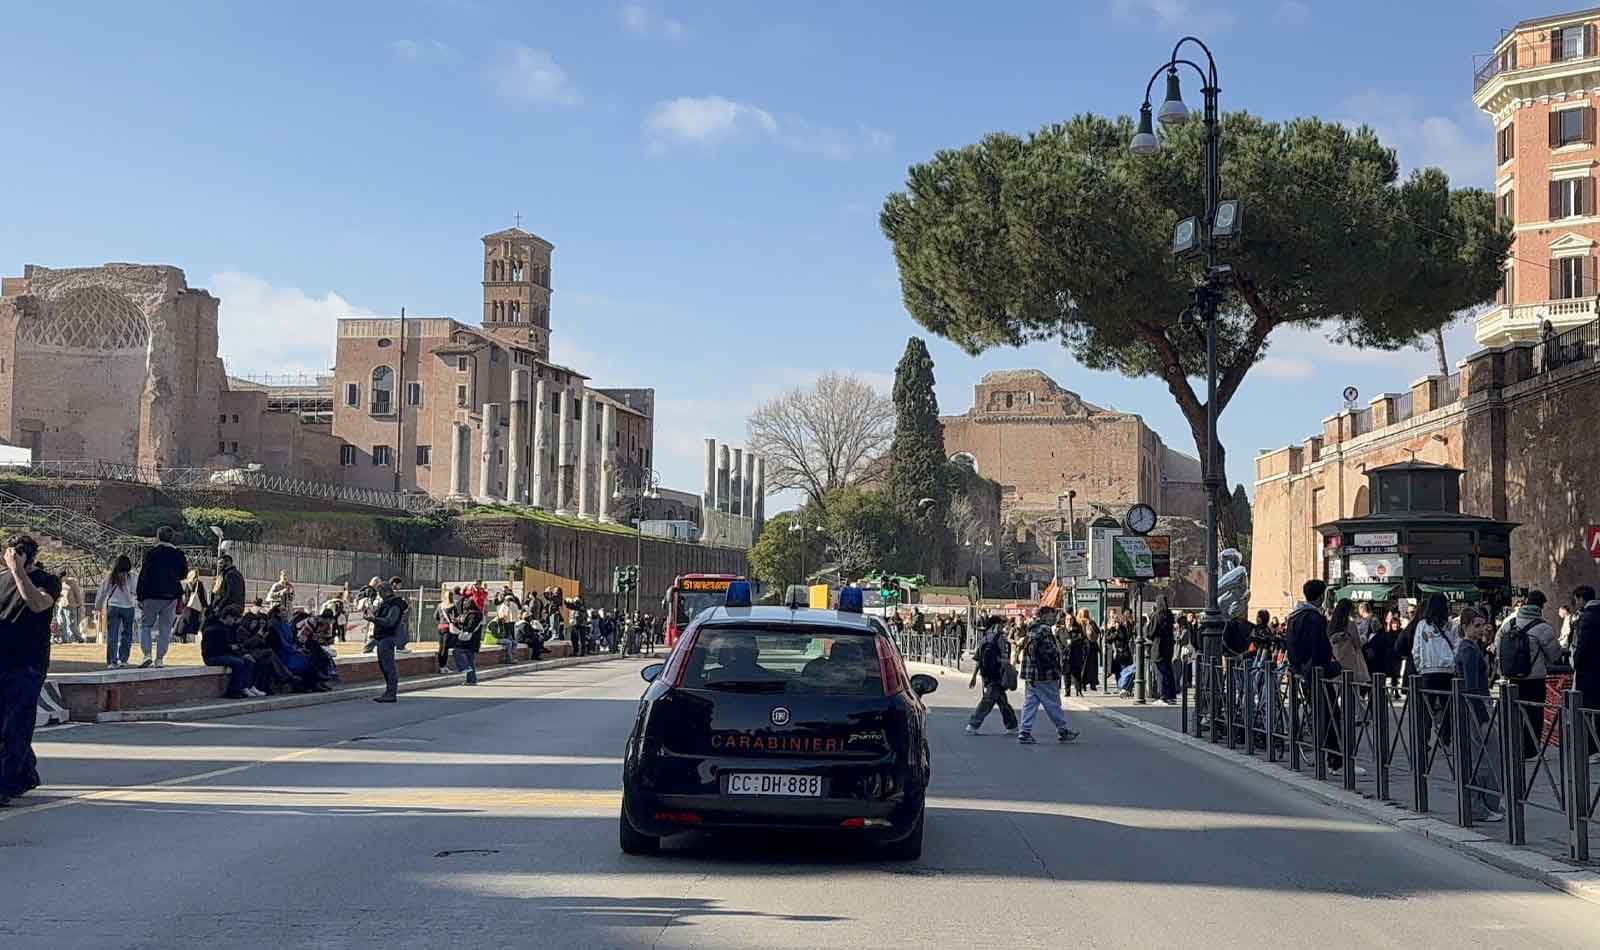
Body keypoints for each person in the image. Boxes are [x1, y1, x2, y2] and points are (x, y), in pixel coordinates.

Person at [0, 535, 61, 807]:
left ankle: (6, 785)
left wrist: (17, 572)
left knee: (17, 725)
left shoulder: (48, 581)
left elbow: (36, 604)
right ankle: (25, 773)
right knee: (6, 725)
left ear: (27, 557)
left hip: (28, 664)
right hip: (3, 660)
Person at [1496, 589, 1563, 760]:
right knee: (1534, 714)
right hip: (1534, 678)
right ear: (1541, 606)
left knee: (1514, 713)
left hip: (1511, 677)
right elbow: (1555, 655)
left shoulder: (1509, 623)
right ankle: (1531, 751)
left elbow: (1498, 646)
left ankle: (1513, 747)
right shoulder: (1543, 627)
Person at [1286, 579, 1344, 772]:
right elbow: (1320, 648)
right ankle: (1334, 760)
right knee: (1331, 715)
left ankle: (1324, 758)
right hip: (1317, 673)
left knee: (1320, 714)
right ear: (1321, 596)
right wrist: (1331, 667)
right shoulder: (1314, 618)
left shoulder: (1294, 617)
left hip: (1301, 671)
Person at [1454, 607, 1504, 822]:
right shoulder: (1468, 650)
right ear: (1465, 626)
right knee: (1483, 756)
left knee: (1483, 755)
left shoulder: (1472, 648)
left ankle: (1484, 802)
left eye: (1482, 624)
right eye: (1476, 625)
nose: (1481, 628)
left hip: (1476, 704)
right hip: (1477, 706)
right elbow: (1472, 686)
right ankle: (1480, 805)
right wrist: (1482, 716)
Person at [1016, 607, 1079, 744]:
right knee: (1052, 703)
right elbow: (1047, 652)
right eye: (1051, 616)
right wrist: (1053, 665)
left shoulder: (1032, 629)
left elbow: (1030, 650)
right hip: (1044, 674)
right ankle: (1062, 729)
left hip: (1031, 674)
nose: (1054, 618)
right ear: (1044, 616)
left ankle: (1024, 731)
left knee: (1030, 703)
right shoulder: (1043, 630)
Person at [135, 526, 188, 668]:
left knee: (146, 625)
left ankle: (147, 654)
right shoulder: (178, 554)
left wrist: (140, 596)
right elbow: (183, 574)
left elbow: (143, 575)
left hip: (151, 594)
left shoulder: (151, 553)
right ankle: (159, 659)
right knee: (165, 628)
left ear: (158, 536)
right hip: (171, 595)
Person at [1411, 592, 1459, 748]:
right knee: (1447, 707)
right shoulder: (1450, 624)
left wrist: (1420, 667)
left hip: (1428, 672)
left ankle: (1424, 740)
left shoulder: (1422, 625)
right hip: (1447, 672)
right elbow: (1456, 647)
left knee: (1427, 708)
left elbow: (1416, 650)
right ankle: (1445, 739)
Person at [966, 618, 1017, 735]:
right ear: (995, 625)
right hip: (997, 674)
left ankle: (1012, 725)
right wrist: (1009, 671)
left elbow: (978, 659)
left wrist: (974, 676)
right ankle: (973, 724)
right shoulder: (1000, 639)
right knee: (988, 701)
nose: (1002, 626)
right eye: (1000, 624)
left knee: (1001, 700)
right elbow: (1004, 658)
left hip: (986, 675)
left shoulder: (984, 638)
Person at [202, 605, 261, 699]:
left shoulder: (227, 628)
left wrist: (241, 653)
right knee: (239, 662)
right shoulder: (216, 628)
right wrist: (234, 650)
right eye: (234, 618)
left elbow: (231, 646)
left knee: (248, 661)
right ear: (228, 616)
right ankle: (234, 690)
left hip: (222, 653)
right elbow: (222, 647)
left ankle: (245, 687)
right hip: (212, 656)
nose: (234, 621)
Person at [1570, 586, 1600, 760]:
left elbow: (1582, 648)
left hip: (1589, 673)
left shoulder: (1586, 618)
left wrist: (1577, 664)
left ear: (1581, 598)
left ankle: (1592, 749)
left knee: (1587, 712)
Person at [367, 582, 408, 702]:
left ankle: (391, 692)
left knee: (388, 666)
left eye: (380, 592)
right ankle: (389, 691)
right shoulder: (388, 603)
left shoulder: (395, 605)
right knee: (384, 665)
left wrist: (374, 619)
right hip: (383, 637)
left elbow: (390, 621)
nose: (380, 595)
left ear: (386, 591)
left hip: (388, 637)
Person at [98, 555, 138, 669]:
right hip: (128, 606)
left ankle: (111, 661)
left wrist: (98, 606)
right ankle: (123, 659)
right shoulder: (132, 576)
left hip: (113, 606)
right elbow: (136, 591)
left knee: (112, 635)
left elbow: (102, 591)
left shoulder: (111, 577)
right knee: (127, 634)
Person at [451, 592, 484, 685]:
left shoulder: (473, 615)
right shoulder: (478, 614)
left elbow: (469, 627)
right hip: (474, 640)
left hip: (469, 640)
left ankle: (464, 667)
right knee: (470, 659)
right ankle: (471, 679)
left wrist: (459, 624)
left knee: (456, 651)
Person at [1150, 599, 1177, 705]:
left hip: (1158, 646)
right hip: (1168, 647)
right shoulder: (1170, 615)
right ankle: (1171, 695)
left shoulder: (1157, 615)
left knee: (1160, 672)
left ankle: (1162, 696)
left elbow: (1151, 631)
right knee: (1168, 671)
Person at [210, 553, 246, 619]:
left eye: (221, 563)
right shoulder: (231, 573)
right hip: (231, 607)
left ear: (228, 562)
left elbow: (229, 593)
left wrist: (219, 606)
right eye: (219, 563)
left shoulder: (231, 574)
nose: (219, 566)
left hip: (230, 608)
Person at [178, 569, 208, 644]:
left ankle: (183, 639)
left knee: (185, 623)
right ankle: (192, 641)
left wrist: (182, 606)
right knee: (195, 623)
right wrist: (205, 606)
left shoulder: (187, 583)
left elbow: (185, 596)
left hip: (187, 606)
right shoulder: (199, 583)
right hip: (195, 607)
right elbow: (201, 596)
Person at [54, 576, 83, 644]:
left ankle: (78, 638)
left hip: (70, 606)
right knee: (61, 623)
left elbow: (77, 593)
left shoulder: (72, 582)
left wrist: (79, 603)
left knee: (71, 624)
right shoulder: (57, 583)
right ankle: (65, 639)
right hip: (60, 606)